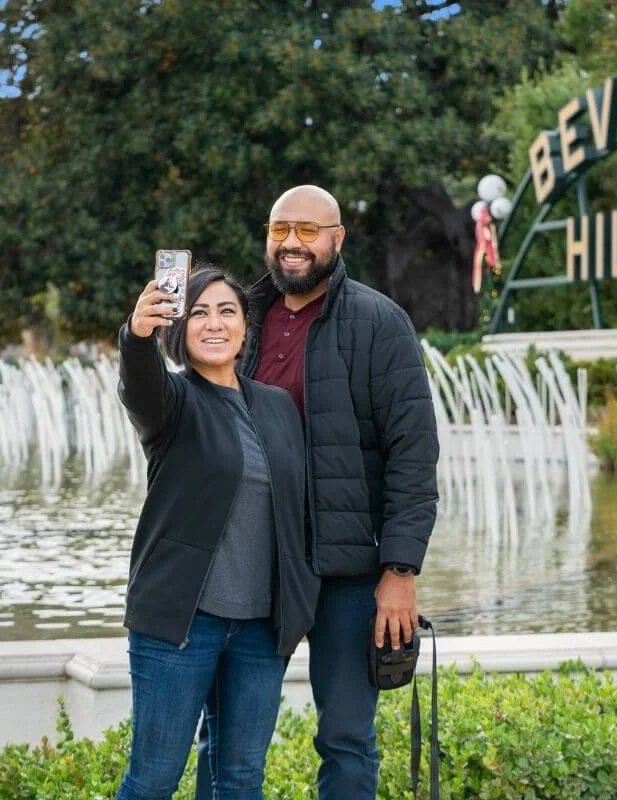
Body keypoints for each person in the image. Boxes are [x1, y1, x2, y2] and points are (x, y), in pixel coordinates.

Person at [196, 185, 440, 799]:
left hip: (348, 572)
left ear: (337, 239)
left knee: (347, 739)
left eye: (309, 230)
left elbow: (414, 455)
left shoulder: (380, 323)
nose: (293, 243)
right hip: (255, 567)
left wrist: (401, 571)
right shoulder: (239, 319)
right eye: (281, 230)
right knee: (224, 741)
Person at [116, 266, 321, 800]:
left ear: (245, 328)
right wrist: (137, 334)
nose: (213, 322)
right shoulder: (173, 404)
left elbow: (300, 507)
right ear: (178, 330)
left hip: (260, 630)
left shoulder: (277, 406)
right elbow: (138, 384)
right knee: (153, 780)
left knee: (239, 780)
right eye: (199, 312)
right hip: (182, 625)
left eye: (226, 311)